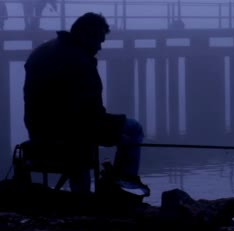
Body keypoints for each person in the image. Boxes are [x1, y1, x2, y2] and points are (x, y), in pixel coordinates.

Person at [23, 12, 147, 194]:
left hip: (38, 133)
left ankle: (82, 194)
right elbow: (88, 116)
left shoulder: (41, 51)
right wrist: (114, 137)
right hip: (70, 136)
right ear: (87, 36)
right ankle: (124, 187)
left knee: (83, 134)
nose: (99, 47)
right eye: (99, 41)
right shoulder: (80, 63)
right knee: (133, 129)